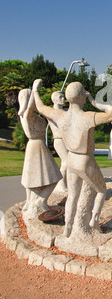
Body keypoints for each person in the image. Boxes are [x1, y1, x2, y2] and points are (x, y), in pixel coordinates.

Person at [32, 79, 112, 237]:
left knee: (72, 195)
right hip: (85, 161)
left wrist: (35, 90)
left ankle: (67, 228)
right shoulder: (88, 117)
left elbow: (40, 107)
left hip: (71, 159)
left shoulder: (60, 115)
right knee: (101, 190)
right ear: (82, 97)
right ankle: (94, 221)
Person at [18, 88, 62, 220]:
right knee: (54, 177)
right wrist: (35, 89)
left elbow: (36, 110)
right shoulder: (27, 115)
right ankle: (40, 201)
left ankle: (31, 202)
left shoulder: (28, 115)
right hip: (37, 146)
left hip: (36, 146)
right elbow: (29, 111)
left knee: (33, 179)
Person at [48, 91, 68, 192]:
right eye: (60, 97)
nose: (63, 99)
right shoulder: (51, 112)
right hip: (59, 140)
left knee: (71, 162)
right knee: (66, 161)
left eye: (63, 97)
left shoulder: (66, 111)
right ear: (54, 99)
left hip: (68, 139)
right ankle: (60, 183)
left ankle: (67, 182)